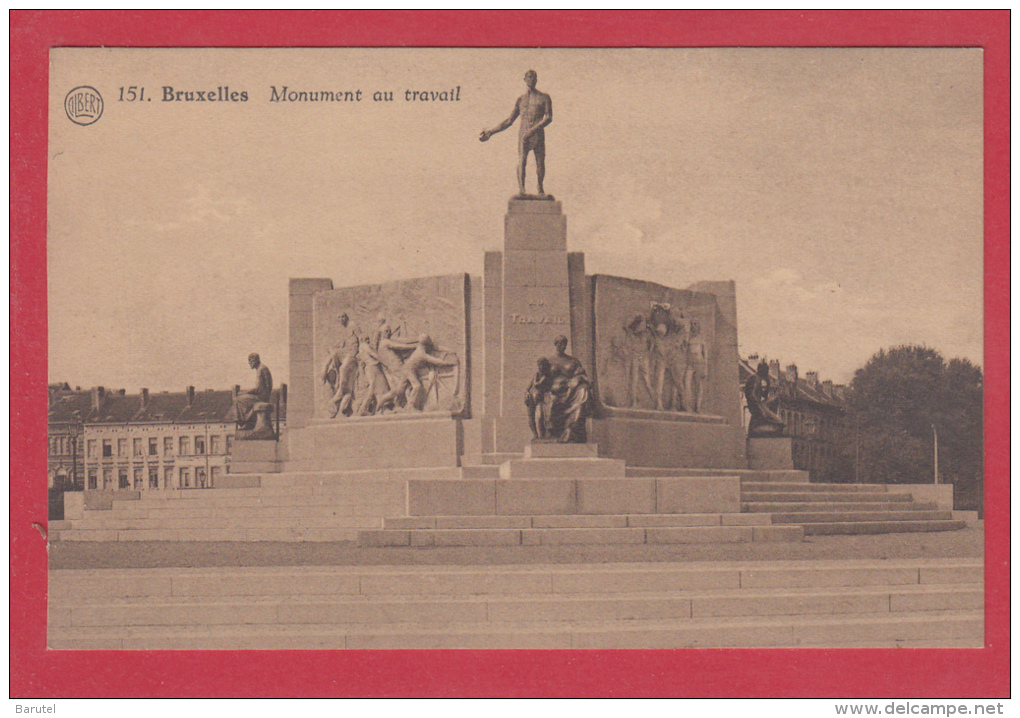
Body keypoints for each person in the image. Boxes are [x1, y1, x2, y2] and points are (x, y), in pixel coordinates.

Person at [479, 69, 553, 196]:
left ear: (537, 79)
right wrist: (490, 132)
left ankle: (540, 189)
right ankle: (522, 190)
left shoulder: (544, 97)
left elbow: (549, 117)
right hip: (524, 134)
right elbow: (509, 121)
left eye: (534, 77)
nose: (531, 80)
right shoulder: (520, 100)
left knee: (540, 162)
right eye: (529, 77)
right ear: (524, 80)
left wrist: (533, 130)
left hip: (537, 133)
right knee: (522, 161)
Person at [378, 334, 460, 412]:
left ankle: (384, 399)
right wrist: (449, 363)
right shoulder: (421, 353)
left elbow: (434, 350)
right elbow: (435, 361)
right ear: (426, 343)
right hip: (408, 371)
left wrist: (449, 350)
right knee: (417, 386)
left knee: (399, 389)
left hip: (405, 369)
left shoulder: (419, 349)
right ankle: (410, 406)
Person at [544, 335, 594, 443]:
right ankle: (554, 432)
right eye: (559, 343)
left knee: (583, 391)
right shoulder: (548, 361)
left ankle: (570, 431)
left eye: (564, 343)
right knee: (551, 401)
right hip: (555, 393)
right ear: (555, 344)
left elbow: (583, 375)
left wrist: (585, 381)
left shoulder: (573, 361)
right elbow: (541, 379)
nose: (561, 345)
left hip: (571, 392)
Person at [744, 360, 785, 436]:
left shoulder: (761, 379)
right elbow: (752, 395)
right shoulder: (755, 378)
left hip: (759, 405)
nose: (767, 372)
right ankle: (756, 431)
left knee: (778, 423)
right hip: (757, 406)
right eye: (766, 370)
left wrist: (768, 384)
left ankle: (755, 431)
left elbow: (764, 395)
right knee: (778, 423)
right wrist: (760, 407)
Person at [235, 353, 272, 429]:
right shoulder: (261, 369)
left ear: (255, 360)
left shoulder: (262, 369)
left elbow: (258, 388)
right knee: (242, 398)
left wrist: (245, 392)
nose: (249, 363)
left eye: (250, 360)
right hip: (262, 395)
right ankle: (248, 422)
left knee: (239, 399)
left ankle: (246, 422)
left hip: (262, 396)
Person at [525, 357, 554, 439]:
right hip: (531, 399)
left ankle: (542, 436)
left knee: (539, 417)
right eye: (539, 365)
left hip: (540, 399)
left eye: (543, 365)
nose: (541, 367)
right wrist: (526, 393)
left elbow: (538, 384)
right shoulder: (536, 374)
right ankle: (536, 436)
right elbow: (528, 387)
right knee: (531, 418)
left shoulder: (547, 376)